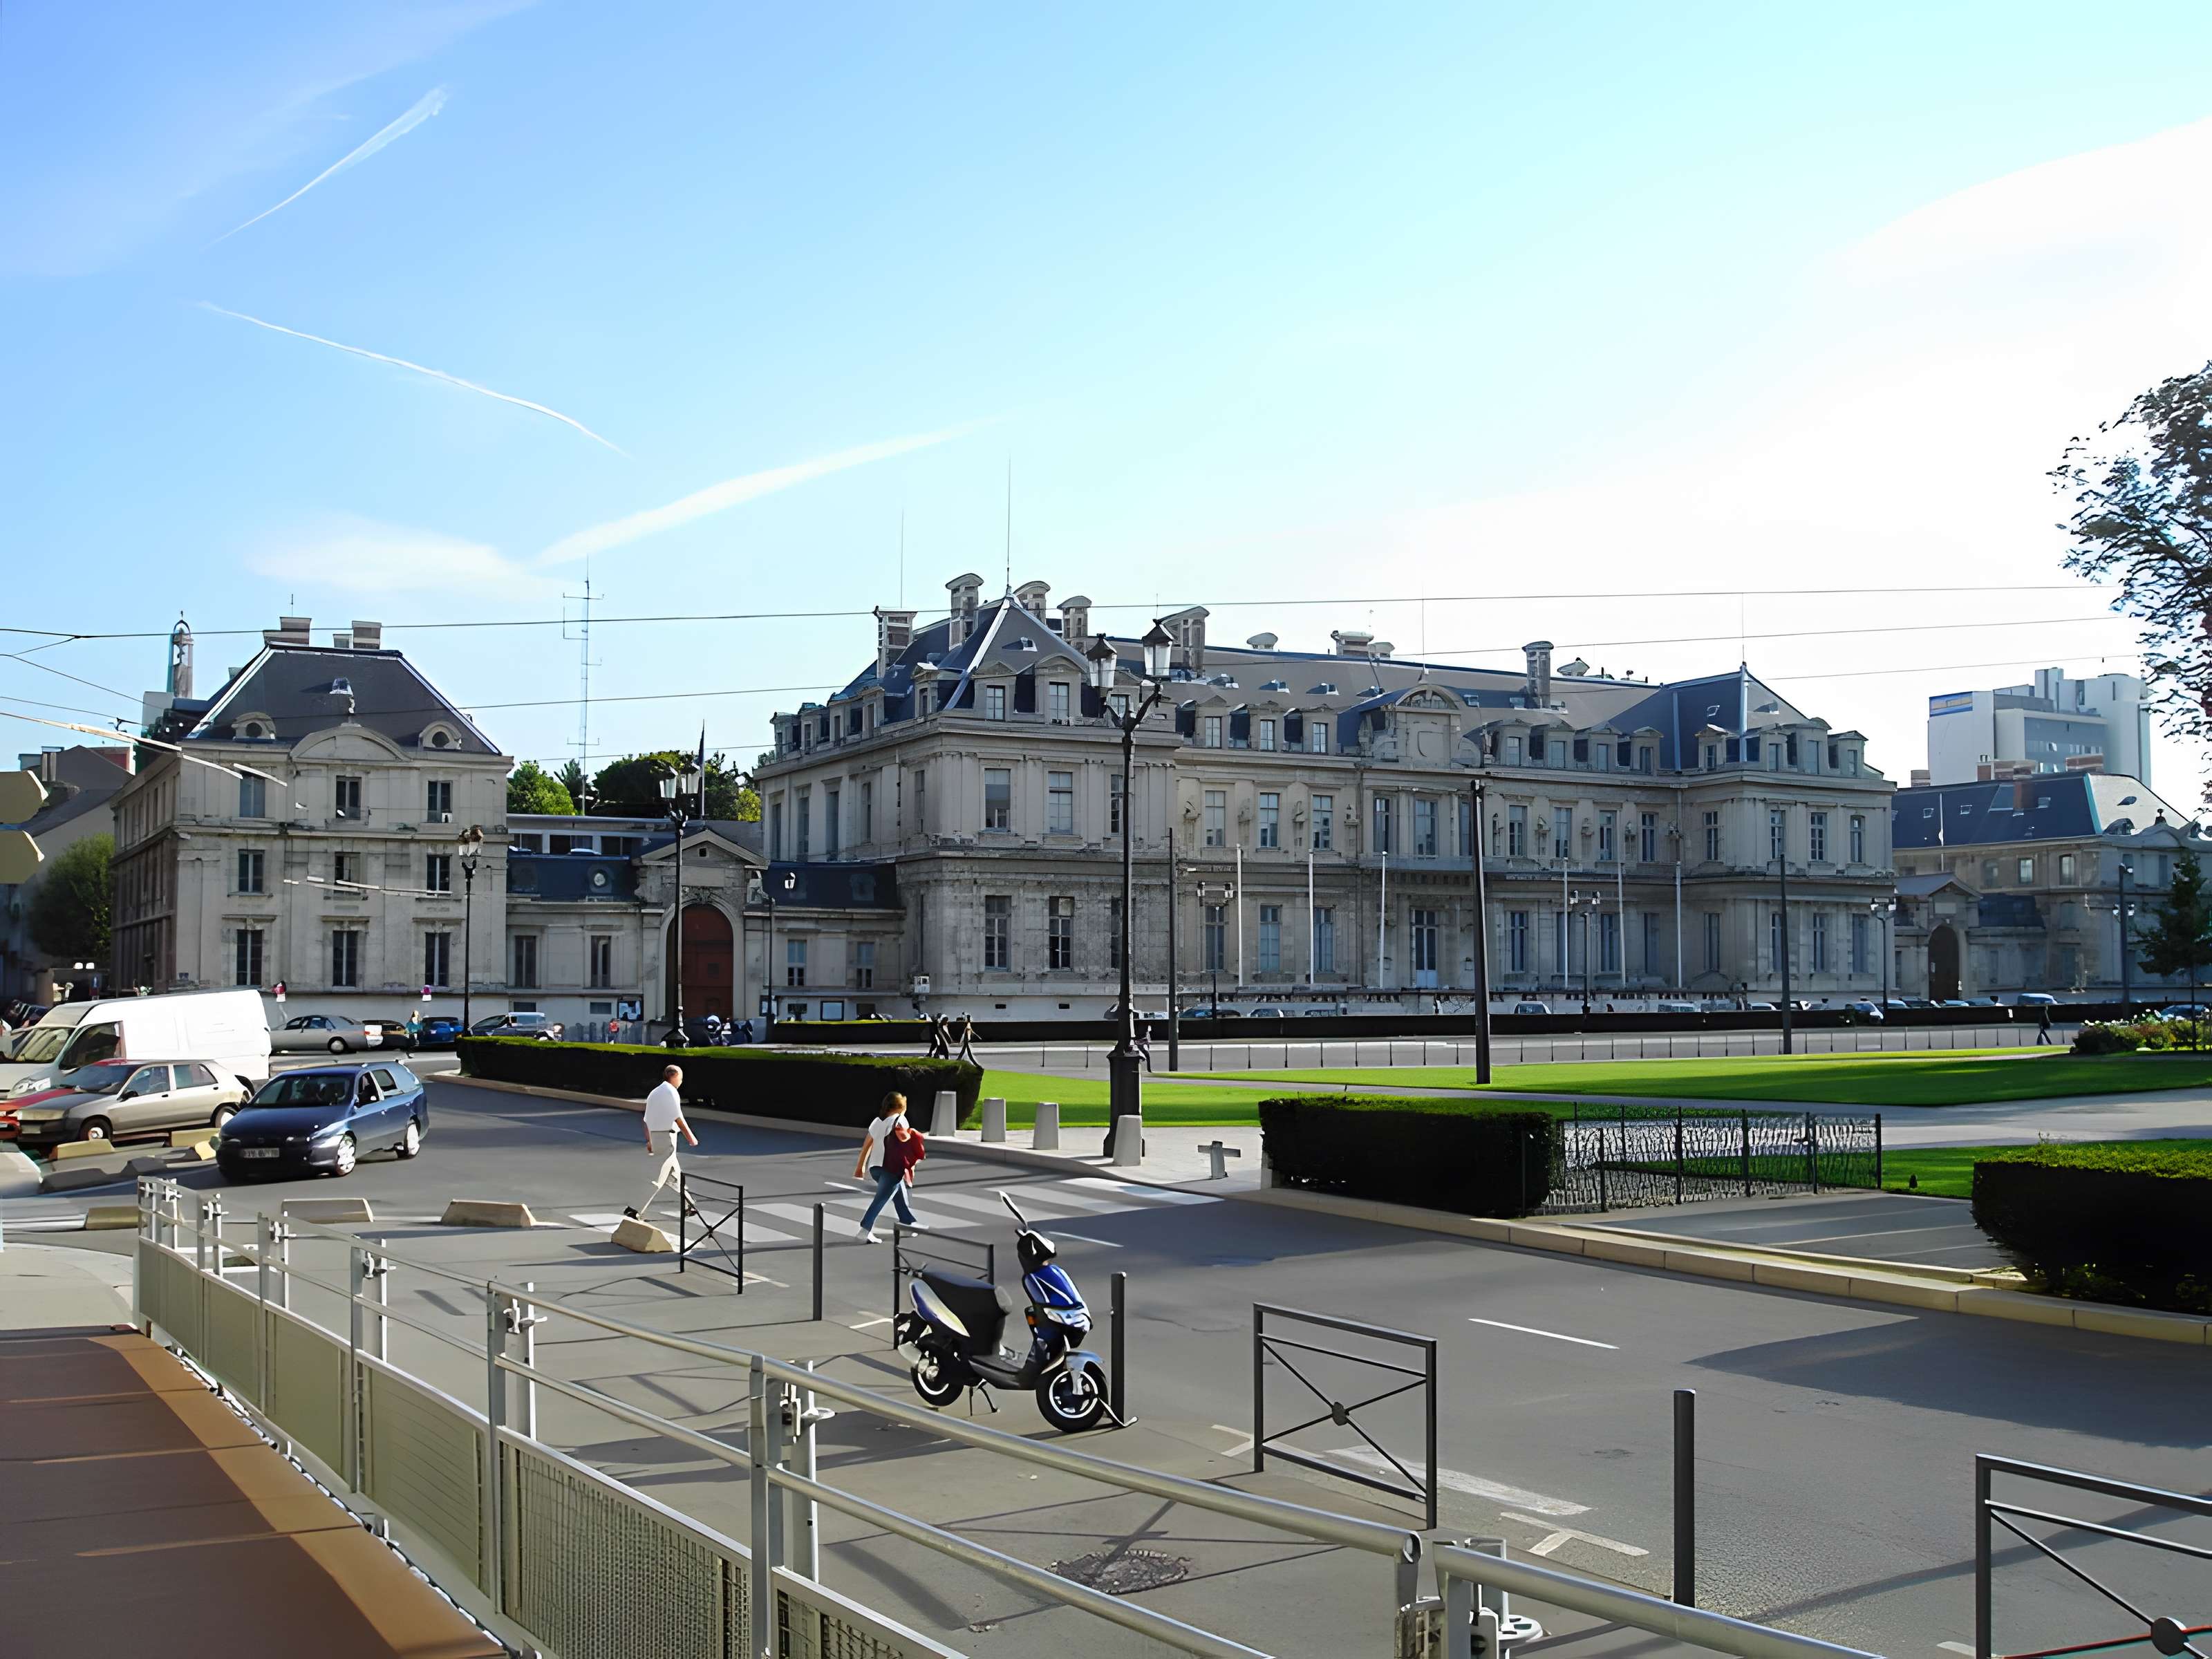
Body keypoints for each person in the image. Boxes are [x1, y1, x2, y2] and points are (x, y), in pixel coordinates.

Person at [624, 1064, 699, 1223]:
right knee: (658, 1177)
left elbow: (646, 1120)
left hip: (656, 1136)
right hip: (667, 1138)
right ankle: (635, 1210)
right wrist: (690, 1137)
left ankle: (690, 1205)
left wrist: (649, 1140)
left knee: (674, 1176)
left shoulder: (655, 1092)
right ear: (674, 1076)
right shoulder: (671, 1092)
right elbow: (678, 1118)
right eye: (681, 1078)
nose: (681, 1081)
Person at [854, 1091, 930, 1242]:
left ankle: (908, 1223)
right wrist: (914, 1137)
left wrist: (860, 1166)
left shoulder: (877, 1122)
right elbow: (904, 1139)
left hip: (875, 1168)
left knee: (899, 1193)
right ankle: (865, 1229)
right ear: (901, 1107)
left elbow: (867, 1145)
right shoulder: (900, 1120)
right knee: (881, 1199)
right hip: (891, 1167)